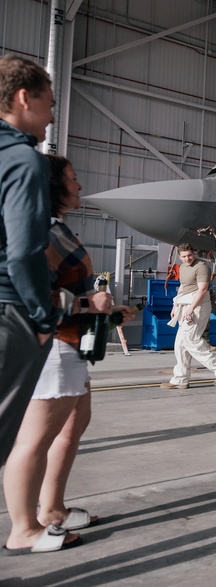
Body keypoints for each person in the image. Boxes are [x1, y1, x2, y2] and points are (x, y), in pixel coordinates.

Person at [3, 156, 130, 555]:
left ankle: (53, 509)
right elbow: (30, 294)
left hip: (72, 343)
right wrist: (88, 305)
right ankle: (23, 529)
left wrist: (102, 308)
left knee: (75, 422)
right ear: (52, 186)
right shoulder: (37, 231)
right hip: (53, 344)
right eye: (72, 180)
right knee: (34, 439)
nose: (79, 186)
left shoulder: (57, 228)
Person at [0, 55, 60, 468]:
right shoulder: (24, 161)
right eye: (50, 104)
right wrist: (42, 318)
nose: (52, 116)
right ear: (24, 98)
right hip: (10, 314)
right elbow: (23, 252)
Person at [160, 243, 216, 389]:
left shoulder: (201, 267)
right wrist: (175, 305)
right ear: (179, 257)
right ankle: (180, 379)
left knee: (191, 339)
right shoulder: (183, 267)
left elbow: (203, 289)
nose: (187, 259)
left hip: (198, 305)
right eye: (184, 256)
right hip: (184, 304)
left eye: (190, 255)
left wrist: (191, 308)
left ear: (194, 253)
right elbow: (182, 287)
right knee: (180, 345)